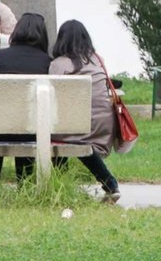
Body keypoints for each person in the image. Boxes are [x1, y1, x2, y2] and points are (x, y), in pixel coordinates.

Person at [48, 20, 123, 204]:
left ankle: (61, 183)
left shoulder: (59, 64)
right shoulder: (97, 59)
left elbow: (52, 95)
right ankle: (110, 184)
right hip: (104, 123)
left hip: (80, 123)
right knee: (76, 140)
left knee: (57, 136)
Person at [0, 12, 53, 189]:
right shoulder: (47, 62)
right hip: (31, 129)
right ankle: (25, 186)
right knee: (29, 121)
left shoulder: (0, 57)